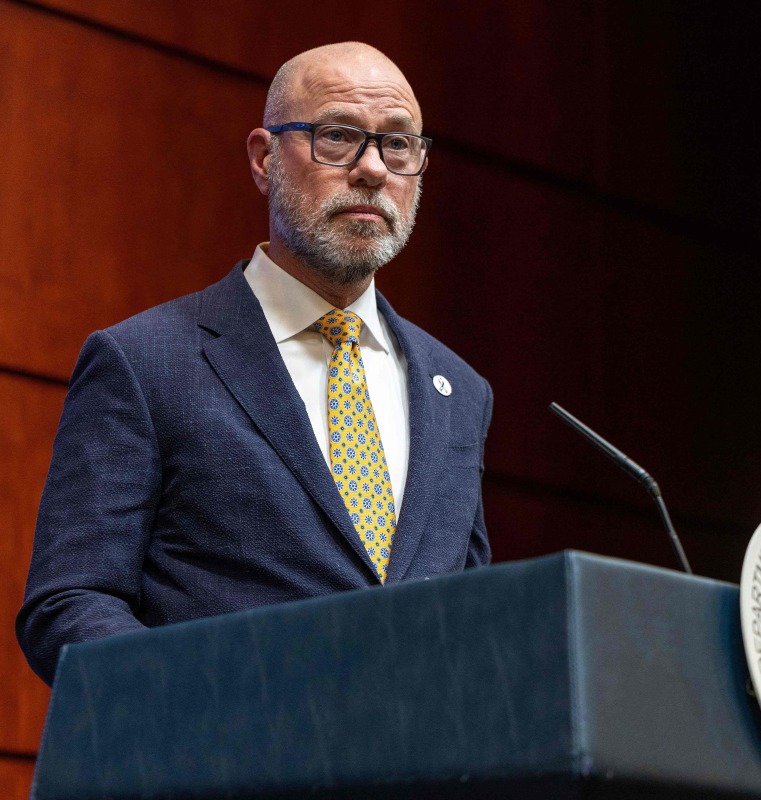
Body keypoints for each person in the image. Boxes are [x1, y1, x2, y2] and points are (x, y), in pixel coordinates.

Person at [17, 43, 492, 685]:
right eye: (339, 136)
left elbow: (475, 619)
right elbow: (70, 604)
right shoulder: (145, 362)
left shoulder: (459, 391)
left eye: (398, 145)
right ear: (265, 159)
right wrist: (214, 720)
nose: (373, 169)